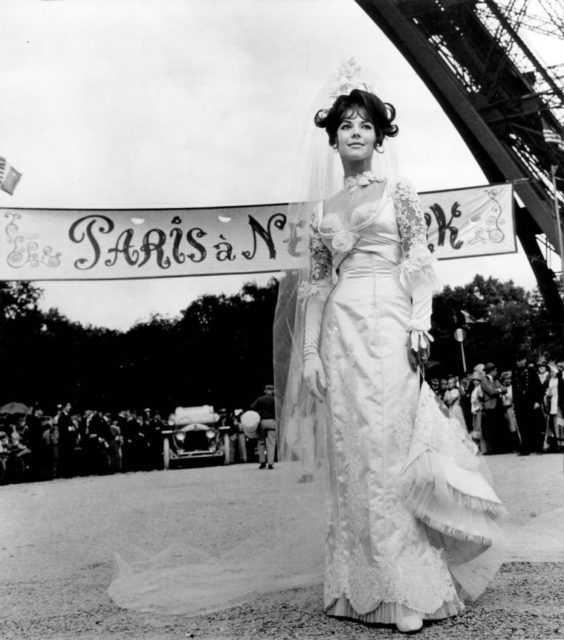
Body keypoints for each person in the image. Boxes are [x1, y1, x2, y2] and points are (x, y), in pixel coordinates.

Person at [289, 81, 505, 634]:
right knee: (352, 449)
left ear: (379, 134)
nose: (355, 132)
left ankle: (403, 583)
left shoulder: (399, 192)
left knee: (391, 446)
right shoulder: (323, 210)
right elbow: (315, 286)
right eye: (345, 125)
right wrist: (310, 352)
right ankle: (355, 585)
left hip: (389, 323)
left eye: (364, 123)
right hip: (342, 327)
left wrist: (419, 324)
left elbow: (419, 263)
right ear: (333, 139)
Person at [250, 384, 276, 469]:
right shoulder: (275, 400)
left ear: (265, 391)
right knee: (271, 443)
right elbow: (280, 411)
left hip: (262, 422)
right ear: (272, 391)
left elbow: (252, 408)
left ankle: (262, 462)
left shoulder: (260, 399)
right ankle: (270, 463)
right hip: (272, 422)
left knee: (261, 442)